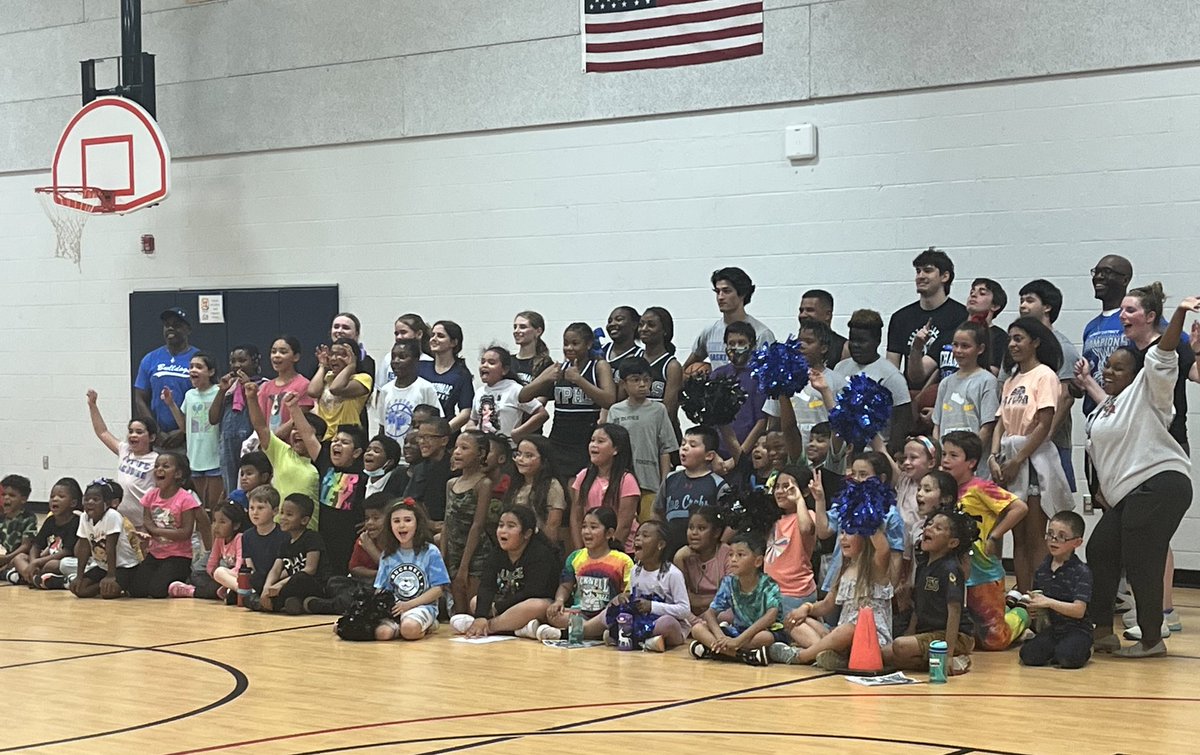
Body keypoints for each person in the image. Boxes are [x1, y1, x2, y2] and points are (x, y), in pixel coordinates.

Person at [1076, 294, 1197, 658]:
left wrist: (1176, 314)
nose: (1108, 372)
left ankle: (1151, 639)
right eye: (1106, 367)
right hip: (1132, 493)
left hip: (1161, 484)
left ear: (1137, 376)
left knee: (1143, 561)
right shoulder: (1107, 409)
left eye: (1118, 368)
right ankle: (1101, 632)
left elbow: (1163, 354)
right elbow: (1109, 424)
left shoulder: (1152, 393)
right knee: (1100, 549)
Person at [1118, 282, 1196, 638]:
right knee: (1135, 533)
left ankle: (1162, 609)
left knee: (1156, 532)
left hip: (1165, 446)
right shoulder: (1124, 353)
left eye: (1131, 310)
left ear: (1151, 317)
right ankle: (1145, 606)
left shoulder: (1171, 345)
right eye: (1122, 309)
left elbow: (1195, 374)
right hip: (1130, 448)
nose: (1123, 316)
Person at [990, 317, 1072, 594]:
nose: (1012, 344)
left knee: (1036, 536)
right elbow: (1000, 421)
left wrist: (1019, 459)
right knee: (1018, 537)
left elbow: (1044, 424)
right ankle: (1024, 596)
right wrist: (994, 455)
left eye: (1019, 338)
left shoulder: (1045, 375)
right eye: (1010, 339)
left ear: (1035, 342)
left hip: (1032, 460)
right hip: (1009, 455)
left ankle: (1041, 599)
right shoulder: (1011, 379)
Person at [940, 430, 1029, 650]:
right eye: (944, 454)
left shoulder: (981, 488)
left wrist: (996, 535)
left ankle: (1022, 613)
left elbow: (1020, 507)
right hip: (954, 571)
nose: (946, 460)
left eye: (953, 455)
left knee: (994, 641)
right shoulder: (943, 489)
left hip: (983, 573)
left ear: (971, 462)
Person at [775, 519, 893, 669]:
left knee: (848, 629)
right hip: (841, 636)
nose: (842, 538)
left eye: (849, 532)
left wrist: (866, 516)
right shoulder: (844, 569)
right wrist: (806, 608)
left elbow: (883, 549)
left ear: (866, 536)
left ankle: (800, 656)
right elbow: (827, 604)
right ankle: (827, 655)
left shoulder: (876, 567)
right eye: (841, 532)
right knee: (795, 620)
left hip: (871, 640)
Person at [884, 509, 977, 675]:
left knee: (900, 646)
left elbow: (954, 612)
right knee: (886, 653)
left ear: (952, 543)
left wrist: (947, 653)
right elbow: (918, 607)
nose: (929, 528)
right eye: (930, 524)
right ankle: (938, 662)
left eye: (938, 528)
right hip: (930, 633)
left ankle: (951, 659)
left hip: (956, 636)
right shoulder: (922, 567)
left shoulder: (950, 569)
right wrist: (910, 632)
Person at [519, 322, 616, 476]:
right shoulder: (558, 368)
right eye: (566, 344)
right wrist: (545, 379)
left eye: (575, 343)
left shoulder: (599, 366)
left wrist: (579, 380)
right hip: (559, 439)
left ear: (589, 344)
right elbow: (523, 396)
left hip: (586, 440)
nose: (569, 348)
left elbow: (609, 400)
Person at [452, 505, 560, 639]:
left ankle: (486, 627)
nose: (503, 531)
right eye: (501, 525)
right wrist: (480, 615)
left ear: (527, 533)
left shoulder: (541, 554)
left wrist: (495, 609)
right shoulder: (496, 553)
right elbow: (487, 586)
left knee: (536, 605)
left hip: (534, 604)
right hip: (505, 603)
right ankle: (520, 629)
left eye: (511, 526)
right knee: (475, 602)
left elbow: (533, 592)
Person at [1017, 279, 1082, 492]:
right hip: (1018, 441)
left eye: (1029, 300)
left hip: (1051, 443)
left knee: (1053, 510)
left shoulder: (1062, 348)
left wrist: (1044, 439)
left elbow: (1065, 397)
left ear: (1047, 307)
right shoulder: (1017, 347)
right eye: (1021, 301)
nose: (1022, 306)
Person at [534, 507, 633, 641]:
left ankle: (567, 633)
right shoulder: (575, 557)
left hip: (605, 614)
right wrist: (559, 601)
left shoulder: (623, 560)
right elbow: (565, 586)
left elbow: (628, 593)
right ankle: (596, 633)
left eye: (593, 527)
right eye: (584, 527)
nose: (587, 532)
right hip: (580, 613)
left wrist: (621, 598)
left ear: (609, 533)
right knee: (554, 616)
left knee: (615, 616)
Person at [688, 532, 781, 666]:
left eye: (740, 555)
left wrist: (738, 641)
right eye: (730, 554)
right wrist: (720, 637)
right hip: (738, 631)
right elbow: (710, 613)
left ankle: (712, 650)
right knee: (697, 628)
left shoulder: (768, 585)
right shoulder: (728, 582)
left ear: (758, 561)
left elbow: (770, 617)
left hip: (760, 632)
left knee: (764, 638)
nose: (733, 559)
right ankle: (743, 655)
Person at [605, 356, 679, 522]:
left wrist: (664, 484)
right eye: (635, 380)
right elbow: (609, 450)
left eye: (646, 380)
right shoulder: (615, 411)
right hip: (621, 482)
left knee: (648, 527)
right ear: (623, 383)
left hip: (650, 482)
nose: (642, 384)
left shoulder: (658, 410)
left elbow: (665, 449)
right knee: (622, 526)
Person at [366, 498, 451, 640]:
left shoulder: (430, 551)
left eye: (407, 520)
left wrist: (409, 605)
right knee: (382, 634)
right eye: (396, 521)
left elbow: (439, 589)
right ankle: (402, 627)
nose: (402, 525)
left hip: (421, 606)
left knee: (409, 630)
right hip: (395, 608)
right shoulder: (387, 555)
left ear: (417, 523)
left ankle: (426, 624)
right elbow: (381, 589)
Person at [1019, 511, 1094, 669]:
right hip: (1053, 629)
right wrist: (1033, 611)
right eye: (1050, 534)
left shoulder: (1082, 571)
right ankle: (1056, 650)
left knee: (1068, 659)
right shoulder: (1042, 569)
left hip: (1077, 629)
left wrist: (1048, 603)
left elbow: (1079, 610)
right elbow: (1039, 601)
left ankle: (1082, 649)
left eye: (1061, 536)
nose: (1054, 540)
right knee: (1028, 656)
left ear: (1077, 542)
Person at [886, 248, 969, 388]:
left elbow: (921, 375)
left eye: (928, 270)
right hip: (909, 396)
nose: (920, 276)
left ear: (945, 276)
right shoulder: (900, 317)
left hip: (947, 393)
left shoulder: (961, 316)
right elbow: (891, 369)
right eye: (918, 271)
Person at [244, 383, 322, 528]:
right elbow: (261, 428)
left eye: (303, 430)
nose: (297, 432)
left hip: (308, 533)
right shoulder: (282, 452)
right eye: (294, 428)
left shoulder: (323, 460)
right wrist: (252, 398)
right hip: (278, 529)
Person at [834, 309, 913, 449]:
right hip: (842, 451)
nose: (856, 345)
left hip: (874, 452)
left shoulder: (891, 376)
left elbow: (902, 421)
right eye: (852, 339)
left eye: (862, 341)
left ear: (877, 341)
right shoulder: (840, 368)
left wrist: (889, 454)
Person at [128, 452, 201, 599]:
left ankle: (184, 582)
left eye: (165, 466)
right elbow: (146, 521)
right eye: (156, 466)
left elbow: (185, 532)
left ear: (178, 474)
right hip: (155, 553)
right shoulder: (151, 495)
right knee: (136, 590)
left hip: (178, 555)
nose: (159, 469)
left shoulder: (185, 498)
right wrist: (145, 534)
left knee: (157, 591)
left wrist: (155, 530)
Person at [614, 520, 691, 652]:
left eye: (645, 535)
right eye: (637, 535)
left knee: (666, 623)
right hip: (641, 620)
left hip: (669, 624)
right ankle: (645, 641)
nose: (638, 538)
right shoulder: (635, 570)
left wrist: (652, 607)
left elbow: (684, 610)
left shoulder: (673, 574)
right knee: (613, 607)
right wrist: (626, 599)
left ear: (660, 545)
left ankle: (630, 638)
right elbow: (634, 598)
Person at [86, 390, 159, 529]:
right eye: (130, 431)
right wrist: (92, 406)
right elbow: (102, 432)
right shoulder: (124, 450)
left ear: (152, 437)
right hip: (121, 520)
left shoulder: (156, 460)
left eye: (139, 432)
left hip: (144, 523)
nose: (133, 435)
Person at [684, 267, 776, 373]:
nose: (720, 297)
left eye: (726, 291)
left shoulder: (761, 333)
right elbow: (688, 365)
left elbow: (770, 375)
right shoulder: (710, 331)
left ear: (742, 294)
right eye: (717, 292)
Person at [764, 319, 837, 449]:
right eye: (799, 341)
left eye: (809, 342)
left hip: (823, 452)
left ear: (824, 348)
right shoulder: (782, 379)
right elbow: (774, 419)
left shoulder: (836, 381)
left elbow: (840, 423)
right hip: (791, 451)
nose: (801, 345)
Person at [443, 430, 495, 612]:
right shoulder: (451, 483)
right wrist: (442, 557)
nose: (457, 452)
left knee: (473, 607)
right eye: (456, 447)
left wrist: (464, 566)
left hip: (475, 553)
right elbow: (447, 522)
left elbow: (477, 525)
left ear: (480, 454)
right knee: (459, 611)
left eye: (464, 448)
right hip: (454, 551)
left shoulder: (483, 484)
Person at [164, 352, 223, 511]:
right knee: (201, 507)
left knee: (215, 506)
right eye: (191, 367)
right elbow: (184, 427)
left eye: (199, 367)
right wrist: (171, 404)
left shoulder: (219, 391)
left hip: (215, 457)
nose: (193, 370)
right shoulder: (189, 395)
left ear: (210, 372)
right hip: (195, 458)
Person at [763, 464, 818, 630]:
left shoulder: (808, 515)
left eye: (787, 487)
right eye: (777, 487)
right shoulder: (774, 520)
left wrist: (799, 499)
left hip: (795, 591)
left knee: (792, 630)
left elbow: (807, 529)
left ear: (805, 491)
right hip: (772, 591)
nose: (780, 491)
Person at [571, 423, 641, 552]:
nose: (593, 445)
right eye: (592, 440)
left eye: (601, 441)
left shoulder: (627, 480)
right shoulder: (583, 476)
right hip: (590, 551)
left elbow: (624, 525)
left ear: (616, 449)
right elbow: (576, 516)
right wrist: (579, 550)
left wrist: (609, 554)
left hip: (622, 551)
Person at [932, 322, 999, 453]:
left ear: (980, 349)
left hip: (972, 462)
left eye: (965, 346)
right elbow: (937, 426)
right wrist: (941, 455)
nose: (958, 351)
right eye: (955, 345)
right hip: (947, 462)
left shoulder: (987, 381)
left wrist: (969, 458)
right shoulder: (945, 383)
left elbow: (987, 427)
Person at [254, 493, 327, 613]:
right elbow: (276, 570)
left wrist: (280, 585)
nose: (282, 517)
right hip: (290, 584)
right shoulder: (285, 541)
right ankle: (287, 602)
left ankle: (274, 603)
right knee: (257, 577)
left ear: (304, 520)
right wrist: (266, 588)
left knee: (299, 578)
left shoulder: (312, 537)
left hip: (312, 584)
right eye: (282, 513)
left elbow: (310, 569)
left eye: (289, 514)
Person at [208, 344, 264, 498]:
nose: (237, 365)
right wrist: (222, 390)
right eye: (233, 361)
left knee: (251, 487)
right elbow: (213, 418)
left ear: (255, 362)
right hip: (228, 446)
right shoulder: (229, 388)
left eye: (242, 360)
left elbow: (262, 415)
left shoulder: (263, 385)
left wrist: (247, 387)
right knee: (231, 488)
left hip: (251, 444)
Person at [70, 480, 142, 599]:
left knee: (108, 593)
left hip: (125, 567)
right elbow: (83, 547)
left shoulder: (112, 516)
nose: (90, 502)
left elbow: (110, 547)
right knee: (79, 590)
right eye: (87, 499)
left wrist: (111, 576)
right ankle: (104, 585)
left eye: (96, 499)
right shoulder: (84, 517)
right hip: (103, 567)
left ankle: (122, 585)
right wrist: (79, 576)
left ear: (107, 503)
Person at [134, 306, 199, 437]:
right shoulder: (150, 358)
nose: (170, 328)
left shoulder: (199, 358)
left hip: (191, 435)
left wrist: (183, 430)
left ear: (188, 330)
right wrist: (155, 431)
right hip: (159, 436)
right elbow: (140, 398)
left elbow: (206, 398)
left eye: (176, 325)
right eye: (167, 325)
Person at [1081, 255, 1135, 415]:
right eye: (1096, 272)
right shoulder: (1090, 327)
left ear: (1124, 280)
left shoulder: (1136, 318)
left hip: (1126, 414)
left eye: (1106, 272)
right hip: (1096, 416)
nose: (1098, 277)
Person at [315, 424, 369, 577]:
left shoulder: (364, 476)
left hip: (347, 540)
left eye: (345, 442)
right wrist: (293, 407)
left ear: (357, 452)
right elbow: (308, 435)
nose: (337, 444)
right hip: (322, 537)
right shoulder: (325, 463)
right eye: (335, 440)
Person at [709, 321, 767, 460]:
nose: (736, 348)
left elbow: (762, 421)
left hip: (747, 454)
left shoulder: (759, 376)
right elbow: (708, 420)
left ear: (752, 345)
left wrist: (739, 456)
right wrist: (712, 456)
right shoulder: (717, 375)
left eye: (741, 343)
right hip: (717, 455)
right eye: (731, 343)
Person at [12, 477, 81, 588]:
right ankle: (34, 578)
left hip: (63, 561)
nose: (55, 499)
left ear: (73, 503)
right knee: (19, 558)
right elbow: (36, 545)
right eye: (52, 496)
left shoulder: (76, 521)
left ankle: (28, 577)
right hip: (45, 561)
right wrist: (34, 561)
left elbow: (67, 551)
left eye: (61, 496)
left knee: (51, 565)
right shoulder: (50, 520)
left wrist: (38, 562)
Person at [168, 501, 246, 600]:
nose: (216, 526)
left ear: (236, 525)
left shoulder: (240, 538)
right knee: (197, 575)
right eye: (214, 521)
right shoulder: (219, 539)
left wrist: (221, 577)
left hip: (238, 578)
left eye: (222, 522)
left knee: (218, 576)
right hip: (223, 579)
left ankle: (192, 592)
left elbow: (240, 567)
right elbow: (211, 564)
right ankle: (225, 591)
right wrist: (215, 576)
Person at [375, 339, 442, 451]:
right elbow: (382, 426)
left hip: (417, 453)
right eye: (393, 357)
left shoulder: (425, 388)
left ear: (416, 360)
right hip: (393, 455)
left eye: (402, 357)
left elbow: (436, 425)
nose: (396, 361)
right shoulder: (386, 390)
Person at [469, 346, 547, 438]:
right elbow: (473, 420)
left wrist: (518, 433)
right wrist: (471, 430)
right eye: (482, 362)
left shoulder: (514, 389)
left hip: (507, 448)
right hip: (483, 448)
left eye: (491, 363)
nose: (485, 365)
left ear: (504, 370)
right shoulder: (480, 392)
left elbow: (541, 414)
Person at [507, 436, 569, 547]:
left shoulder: (552, 486)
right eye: (518, 454)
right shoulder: (517, 484)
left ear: (544, 460)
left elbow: (553, 525)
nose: (520, 459)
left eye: (529, 456)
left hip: (539, 547)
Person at [308, 338, 373, 441]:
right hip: (324, 438)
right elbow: (312, 391)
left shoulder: (363, 378)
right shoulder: (327, 377)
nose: (334, 358)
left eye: (342, 354)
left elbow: (336, 389)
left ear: (354, 357)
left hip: (346, 438)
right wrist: (322, 366)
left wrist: (351, 366)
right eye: (332, 354)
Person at [673, 506, 731, 617]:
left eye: (701, 528)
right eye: (691, 528)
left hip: (720, 611)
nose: (694, 533)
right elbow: (680, 598)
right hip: (692, 614)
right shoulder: (684, 555)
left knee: (726, 615)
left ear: (716, 533)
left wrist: (696, 600)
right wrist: (678, 559)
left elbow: (730, 596)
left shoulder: (727, 553)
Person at [638, 306, 683, 445]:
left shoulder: (672, 365)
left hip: (662, 435)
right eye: (641, 324)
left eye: (651, 325)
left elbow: (669, 411)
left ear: (664, 331)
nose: (644, 328)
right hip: (635, 428)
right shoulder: (633, 359)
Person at [419, 320, 475, 430]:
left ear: (453, 342)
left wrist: (444, 431)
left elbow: (466, 411)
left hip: (445, 432)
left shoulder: (461, 374)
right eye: (432, 335)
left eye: (440, 336)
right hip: (419, 431)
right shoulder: (420, 368)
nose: (434, 339)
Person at [258, 335, 314, 433]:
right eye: (273, 351)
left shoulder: (303, 385)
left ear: (295, 357)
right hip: (269, 444)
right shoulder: (265, 387)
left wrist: (275, 439)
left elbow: (298, 419)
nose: (276, 355)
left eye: (283, 352)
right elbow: (260, 420)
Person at [241, 484, 289, 597]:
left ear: (275, 511)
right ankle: (249, 592)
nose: (254, 512)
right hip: (257, 579)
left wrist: (269, 584)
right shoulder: (247, 536)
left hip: (276, 578)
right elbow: (250, 566)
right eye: (251, 508)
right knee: (221, 572)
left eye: (260, 508)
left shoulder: (283, 535)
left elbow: (281, 566)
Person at [404, 418, 454, 524]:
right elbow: (409, 499)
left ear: (444, 441)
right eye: (420, 437)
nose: (422, 442)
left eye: (427, 437)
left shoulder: (455, 468)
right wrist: (428, 523)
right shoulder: (419, 468)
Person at [966, 277, 1009, 373]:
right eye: (972, 292)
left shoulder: (1000, 337)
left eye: (982, 293)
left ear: (995, 306)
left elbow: (993, 371)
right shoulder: (956, 331)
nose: (973, 295)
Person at [377, 313, 433, 387]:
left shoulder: (429, 362)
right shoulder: (388, 358)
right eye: (396, 333)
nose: (399, 337)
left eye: (403, 332)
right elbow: (380, 389)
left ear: (419, 334)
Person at [798, 289, 849, 369]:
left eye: (810, 310)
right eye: (801, 310)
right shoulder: (794, 345)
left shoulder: (844, 348)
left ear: (828, 315)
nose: (802, 315)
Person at [0, 474, 38, 581]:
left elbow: (26, 545)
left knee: (17, 560)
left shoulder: (28, 518)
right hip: (7, 557)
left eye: (12, 495)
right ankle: (11, 575)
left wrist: (7, 558)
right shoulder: (1, 518)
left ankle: (14, 575)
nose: (6, 498)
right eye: (3, 494)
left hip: (23, 556)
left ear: (23, 499)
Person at [512, 311, 554, 385]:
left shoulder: (544, 363)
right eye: (515, 327)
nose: (516, 331)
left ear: (538, 331)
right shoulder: (507, 361)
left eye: (522, 327)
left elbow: (545, 394)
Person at [363, 434, 408, 498]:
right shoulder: (360, 482)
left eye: (376, 451)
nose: (369, 453)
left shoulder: (399, 484)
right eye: (368, 450)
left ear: (389, 462)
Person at [603, 305, 643, 374]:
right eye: (609, 321)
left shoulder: (640, 355)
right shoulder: (600, 349)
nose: (612, 324)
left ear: (634, 324)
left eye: (619, 319)